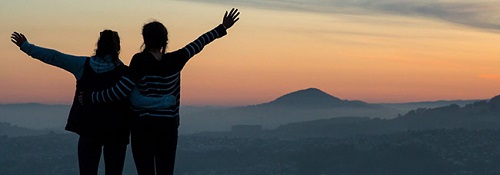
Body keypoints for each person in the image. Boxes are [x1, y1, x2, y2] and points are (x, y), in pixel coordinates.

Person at [80, 8, 240, 175]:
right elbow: (199, 43)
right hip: (168, 127)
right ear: (166, 40)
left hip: (143, 127)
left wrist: (92, 97)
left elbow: (120, 90)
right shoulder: (176, 60)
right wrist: (222, 27)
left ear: (145, 39)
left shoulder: (139, 61)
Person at [10, 30, 169, 175]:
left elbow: (55, 57)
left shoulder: (83, 66)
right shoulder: (125, 73)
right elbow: (138, 101)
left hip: (88, 130)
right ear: (118, 48)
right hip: (116, 133)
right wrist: (166, 101)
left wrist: (27, 47)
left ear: (98, 46)